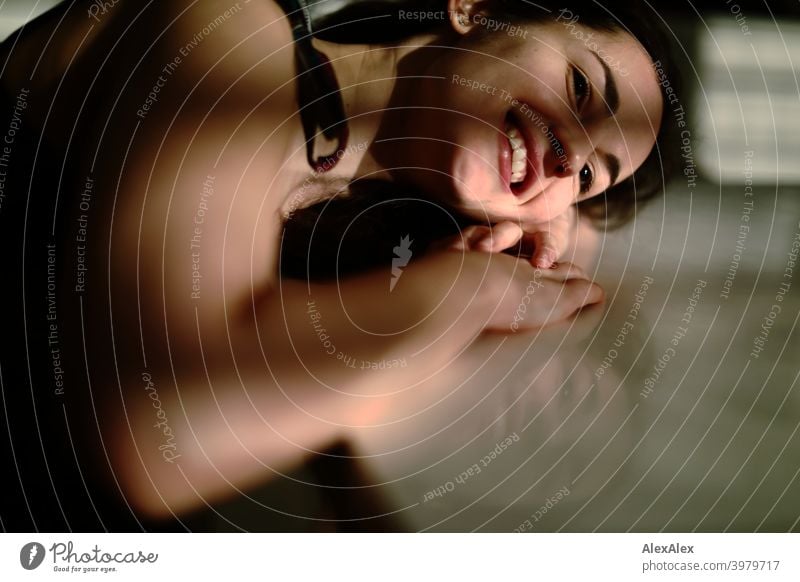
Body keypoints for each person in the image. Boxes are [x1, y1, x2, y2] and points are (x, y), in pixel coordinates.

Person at [0, 0, 678, 526]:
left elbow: (577, 230)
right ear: (478, 8)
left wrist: (545, 208)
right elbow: (156, 441)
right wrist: (465, 295)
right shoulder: (224, 29)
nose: (569, 156)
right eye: (583, 88)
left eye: (590, 173)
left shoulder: (357, 211)